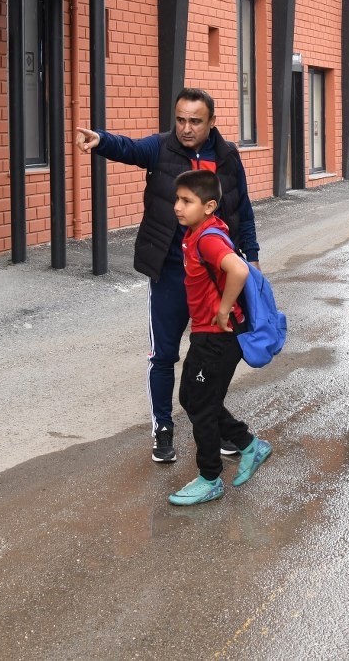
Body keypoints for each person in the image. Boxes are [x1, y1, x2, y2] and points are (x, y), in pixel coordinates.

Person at [75, 88, 259, 465]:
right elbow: (128, 147)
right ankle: (163, 428)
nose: (186, 128)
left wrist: (252, 257)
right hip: (171, 272)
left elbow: (243, 209)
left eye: (195, 121)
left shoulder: (226, 157)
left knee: (213, 357)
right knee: (164, 355)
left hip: (216, 279)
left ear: (211, 122)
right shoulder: (161, 149)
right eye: (180, 119)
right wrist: (101, 140)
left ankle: (216, 424)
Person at [166, 169, 271, 506]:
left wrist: (224, 309)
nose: (178, 207)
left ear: (209, 205)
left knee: (201, 405)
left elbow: (238, 270)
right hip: (207, 334)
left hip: (217, 336)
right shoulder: (201, 232)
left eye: (186, 201)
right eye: (177, 199)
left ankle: (210, 478)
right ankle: (249, 444)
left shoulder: (208, 238)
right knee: (193, 399)